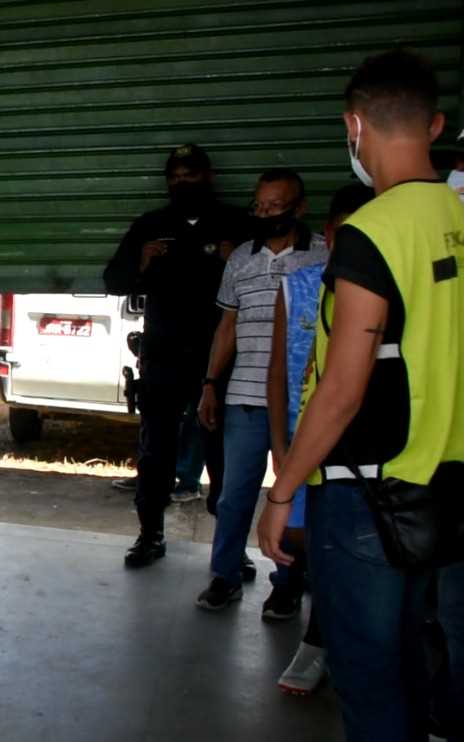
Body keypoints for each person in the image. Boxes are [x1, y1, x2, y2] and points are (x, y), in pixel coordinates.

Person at [258, 48, 464, 740]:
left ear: (354, 126)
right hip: (444, 488)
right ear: (434, 125)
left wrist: (283, 492)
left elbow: (343, 386)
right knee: (411, 659)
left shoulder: (372, 232)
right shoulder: (456, 216)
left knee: (370, 680)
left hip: (368, 496)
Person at [104, 144, 250, 567]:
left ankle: (230, 550)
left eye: (191, 176)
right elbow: (113, 280)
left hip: (218, 361)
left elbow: (265, 281)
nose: (183, 183)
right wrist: (141, 262)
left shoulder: (236, 224)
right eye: (176, 178)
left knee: (223, 456)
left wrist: (234, 260)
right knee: (155, 453)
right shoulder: (151, 225)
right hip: (163, 358)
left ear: (209, 177)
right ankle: (150, 535)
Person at [194, 169, 329, 615]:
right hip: (246, 397)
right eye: (260, 206)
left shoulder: (322, 256)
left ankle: (287, 583)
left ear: (300, 207)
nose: (266, 213)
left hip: (302, 402)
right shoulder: (241, 259)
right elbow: (227, 326)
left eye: (276, 205)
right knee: (234, 495)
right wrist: (210, 384)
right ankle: (225, 575)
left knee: (296, 496)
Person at [267, 183, 374, 694]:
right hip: (303, 440)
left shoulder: (385, 286)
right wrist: (279, 446)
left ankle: (320, 639)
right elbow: (277, 373)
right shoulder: (300, 285)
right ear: (328, 234)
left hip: (361, 445)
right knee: (299, 539)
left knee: (350, 546)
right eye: (347, 234)